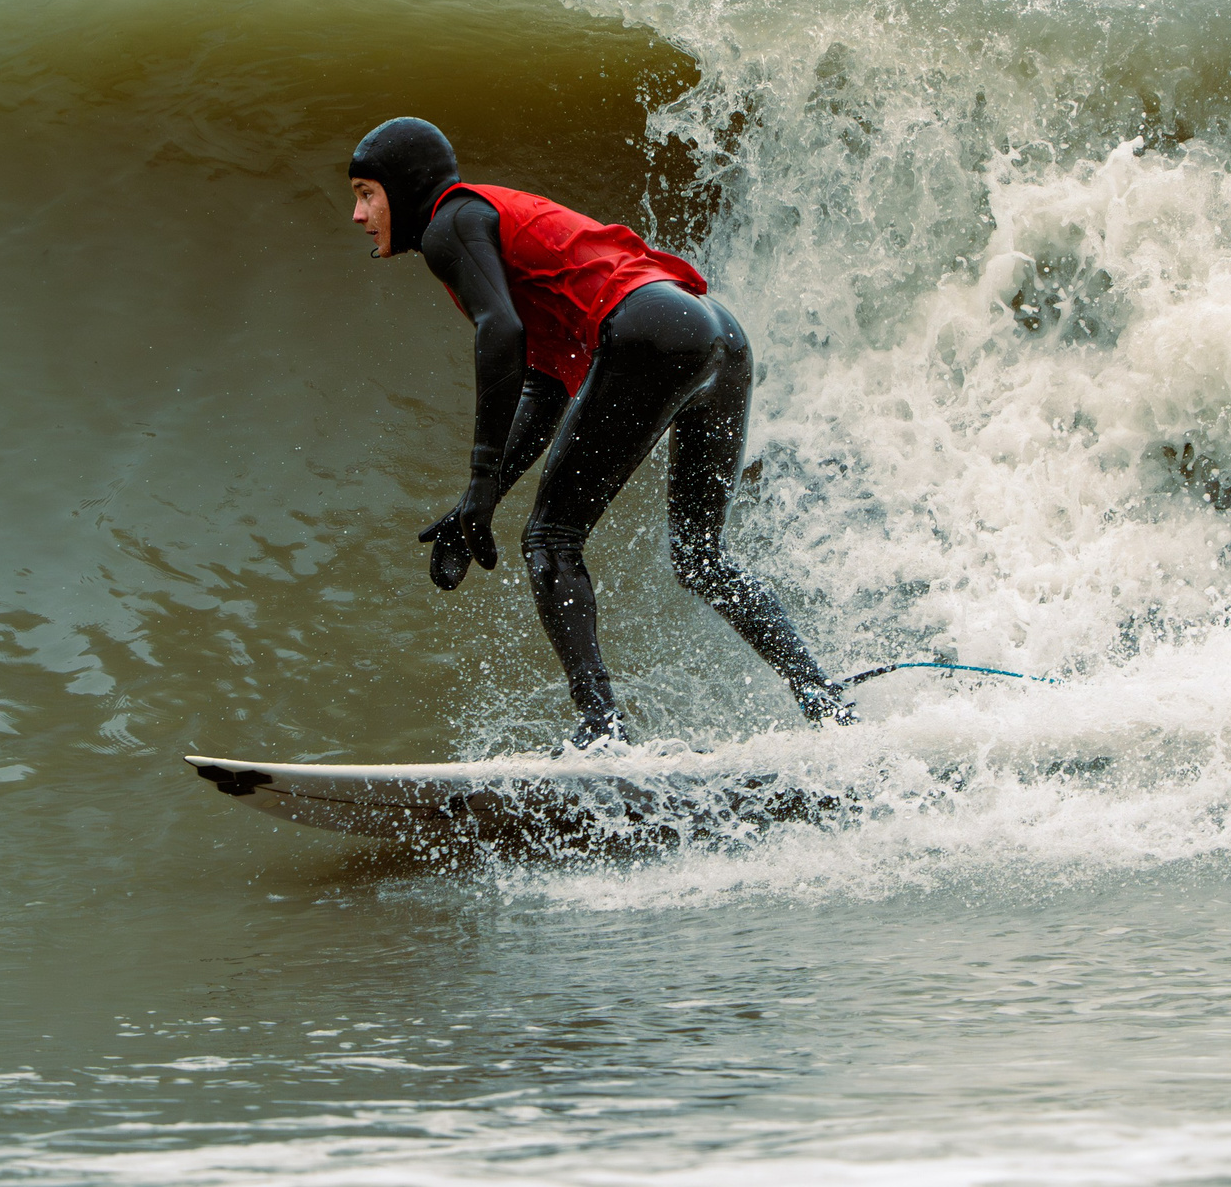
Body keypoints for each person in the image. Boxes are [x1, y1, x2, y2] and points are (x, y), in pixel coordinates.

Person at [347, 117, 852, 748]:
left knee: (551, 540)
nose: (360, 214)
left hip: (653, 329)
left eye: (368, 193)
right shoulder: (495, 232)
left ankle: (603, 734)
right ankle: (830, 708)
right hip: (718, 338)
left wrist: (480, 481)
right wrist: (483, 495)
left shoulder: (450, 220)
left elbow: (497, 333)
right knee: (700, 557)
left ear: (406, 186)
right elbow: (546, 387)